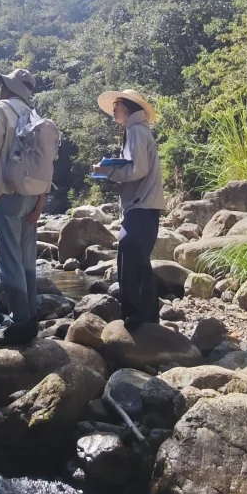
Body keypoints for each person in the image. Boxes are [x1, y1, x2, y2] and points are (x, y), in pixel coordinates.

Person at [0, 67, 45, 345]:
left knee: (9, 259)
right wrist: (41, 201)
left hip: (7, 193)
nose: (1, 89)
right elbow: (45, 163)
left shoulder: (0, 108)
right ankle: (31, 316)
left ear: (10, 88)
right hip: (32, 196)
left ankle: (21, 320)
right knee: (26, 258)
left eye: (4, 84)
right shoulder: (35, 117)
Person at [95, 88, 166, 329]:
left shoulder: (136, 130)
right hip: (144, 204)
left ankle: (136, 317)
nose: (113, 110)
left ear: (128, 107)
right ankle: (147, 318)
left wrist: (108, 171)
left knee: (130, 253)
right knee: (137, 259)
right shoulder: (138, 129)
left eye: (117, 105)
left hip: (141, 204)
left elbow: (138, 169)